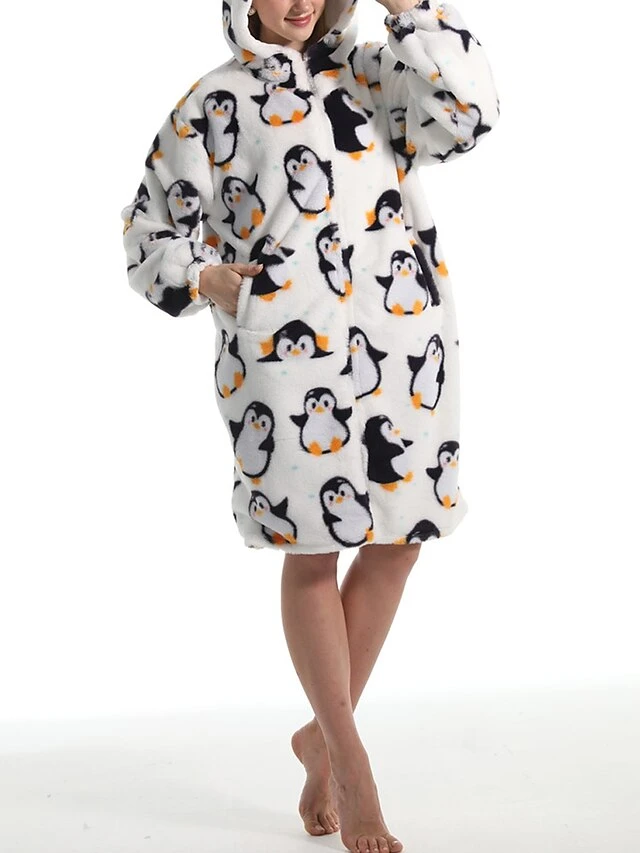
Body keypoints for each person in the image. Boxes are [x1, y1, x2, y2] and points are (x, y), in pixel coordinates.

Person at [120, 0, 499, 850]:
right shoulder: (211, 102)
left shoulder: (376, 74)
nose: (299, 1)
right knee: (313, 546)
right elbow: (147, 232)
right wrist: (208, 277)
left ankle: (319, 735)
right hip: (287, 365)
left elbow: (472, 110)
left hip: (404, 347)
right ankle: (351, 761)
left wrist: (410, 10)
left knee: (401, 541)